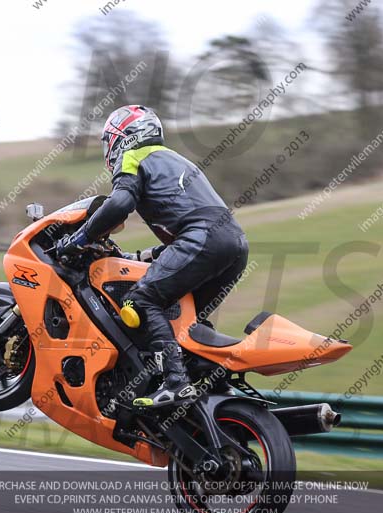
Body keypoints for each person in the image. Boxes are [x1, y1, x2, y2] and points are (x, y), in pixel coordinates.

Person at [56, 105, 249, 407]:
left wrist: (80, 238)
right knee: (184, 318)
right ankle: (216, 382)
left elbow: (120, 204)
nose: (110, 150)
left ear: (124, 136)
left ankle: (175, 383)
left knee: (141, 300)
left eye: (109, 142)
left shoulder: (134, 157)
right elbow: (187, 227)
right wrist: (142, 256)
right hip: (234, 243)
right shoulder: (173, 159)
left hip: (204, 239)